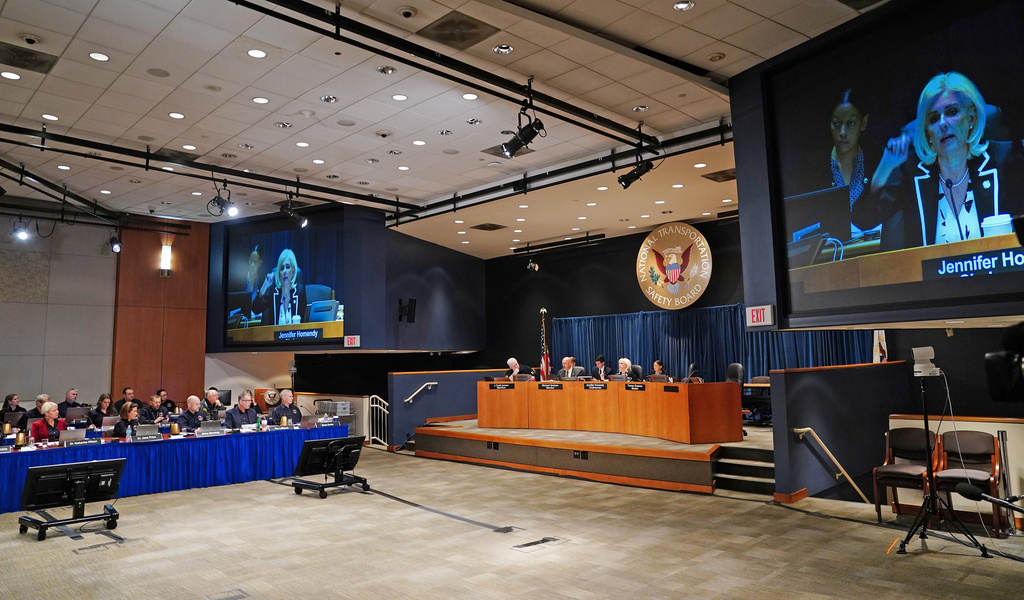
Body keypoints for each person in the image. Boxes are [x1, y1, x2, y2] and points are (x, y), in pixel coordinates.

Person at [860, 72, 1022, 250]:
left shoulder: (1004, 160)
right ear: (927, 132)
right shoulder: (912, 172)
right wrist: (885, 167)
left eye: (952, 112)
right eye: (933, 118)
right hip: (935, 278)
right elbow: (865, 220)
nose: (942, 124)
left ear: (971, 118)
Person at [826, 90, 881, 239]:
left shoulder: (877, 159)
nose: (842, 132)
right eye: (836, 123)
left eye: (850, 123)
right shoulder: (814, 168)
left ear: (863, 123)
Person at [252, 248, 306, 326]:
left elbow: (303, 322)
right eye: (281, 268)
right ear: (279, 273)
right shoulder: (273, 291)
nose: (284, 271)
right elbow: (255, 310)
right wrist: (264, 287)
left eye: (288, 267)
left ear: (293, 271)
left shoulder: (299, 292)